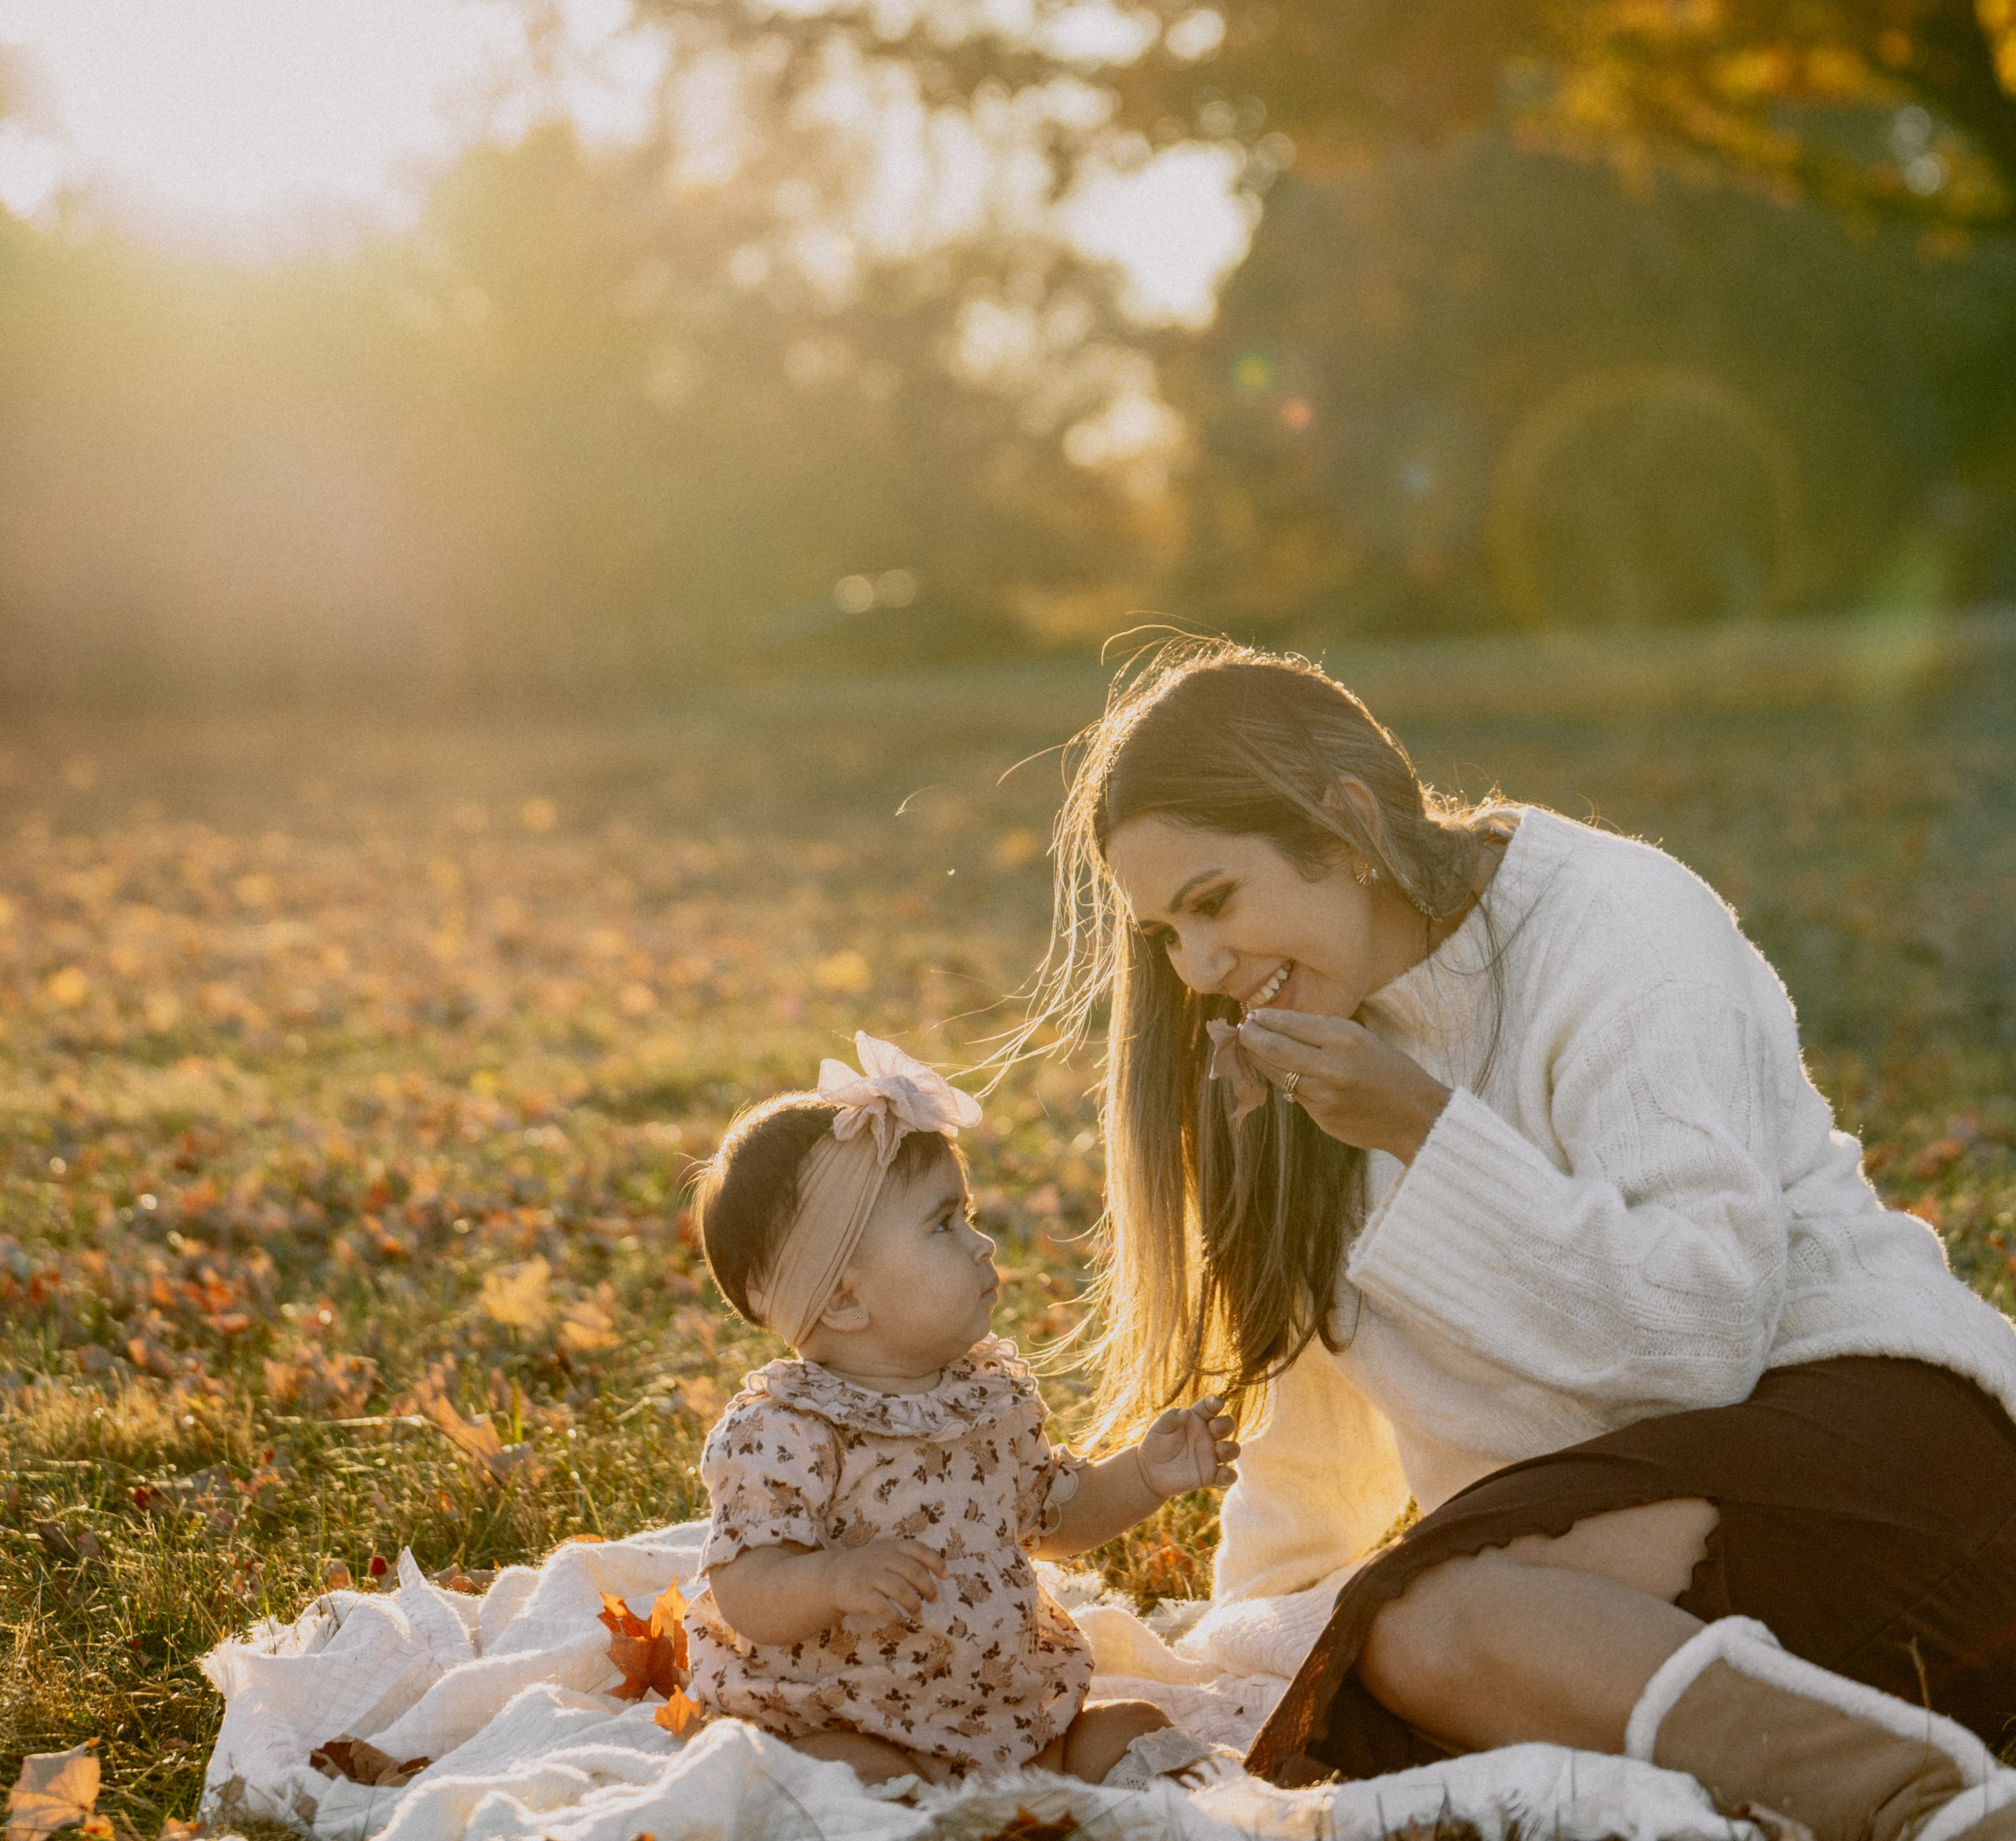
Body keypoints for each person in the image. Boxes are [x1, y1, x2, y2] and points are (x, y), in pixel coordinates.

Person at [1029, 638, 2016, 1840]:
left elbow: (1703, 1335)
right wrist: (1253, 1657)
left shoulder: (1614, 926)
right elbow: (1310, 1429)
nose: (1200, 969)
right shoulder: (1302, 1035)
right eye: (1166, 935)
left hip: (1880, 1442)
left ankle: (1928, 1809)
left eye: (1214, 903)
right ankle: (1855, 1776)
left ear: (1344, 825)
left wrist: (1426, 1129)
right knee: (1396, 1657)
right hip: (1654, 1555)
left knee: (1425, 1619)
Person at [684, 1032, 1240, 1789]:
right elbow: (746, 1589)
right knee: (837, 1782)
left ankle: (1200, 1812)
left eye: (968, 1216)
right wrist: (834, 1579)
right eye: (945, 1223)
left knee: (1137, 1730)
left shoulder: (987, 1400)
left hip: (1003, 1716)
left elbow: (1054, 1517)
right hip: (845, 1719)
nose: (982, 1245)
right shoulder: (782, 1431)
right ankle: (924, 1814)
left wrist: (1145, 1474)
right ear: (846, 1298)